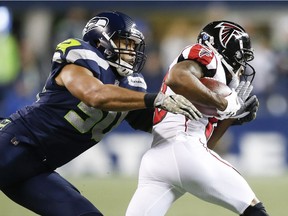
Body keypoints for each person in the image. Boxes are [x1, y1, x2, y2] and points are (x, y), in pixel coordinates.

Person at [0, 11, 202, 216]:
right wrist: (156, 99)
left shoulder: (132, 84)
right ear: (101, 42)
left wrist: (208, 116)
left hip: (37, 168)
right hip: (13, 143)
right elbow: (94, 94)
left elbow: (156, 123)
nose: (131, 51)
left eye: (133, 45)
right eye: (126, 43)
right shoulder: (79, 57)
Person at [126, 21, 269, 216]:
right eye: (240, 57)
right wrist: (224, 104)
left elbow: (207, 144)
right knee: (253, 209)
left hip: (157, 161)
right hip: (186, 150)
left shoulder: (212, 78)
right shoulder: (207, 55)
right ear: (223, 47)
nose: (242, 66)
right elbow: (176, 78)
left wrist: (231, 117)